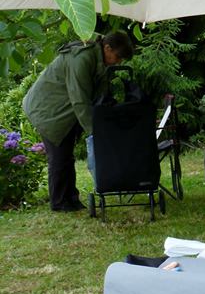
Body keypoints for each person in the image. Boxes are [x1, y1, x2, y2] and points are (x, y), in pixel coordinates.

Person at [22, 30, 134, 211]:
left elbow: (98, 93)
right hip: (46, 110)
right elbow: (80, 100)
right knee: (59, 157)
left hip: (63, 109)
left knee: (67, 156)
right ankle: (59, 203)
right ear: (107, 48)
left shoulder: (98, 59)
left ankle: (71, 199)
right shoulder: (81, 59)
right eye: (118, 57)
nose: (119, 62)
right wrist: (94, 132)